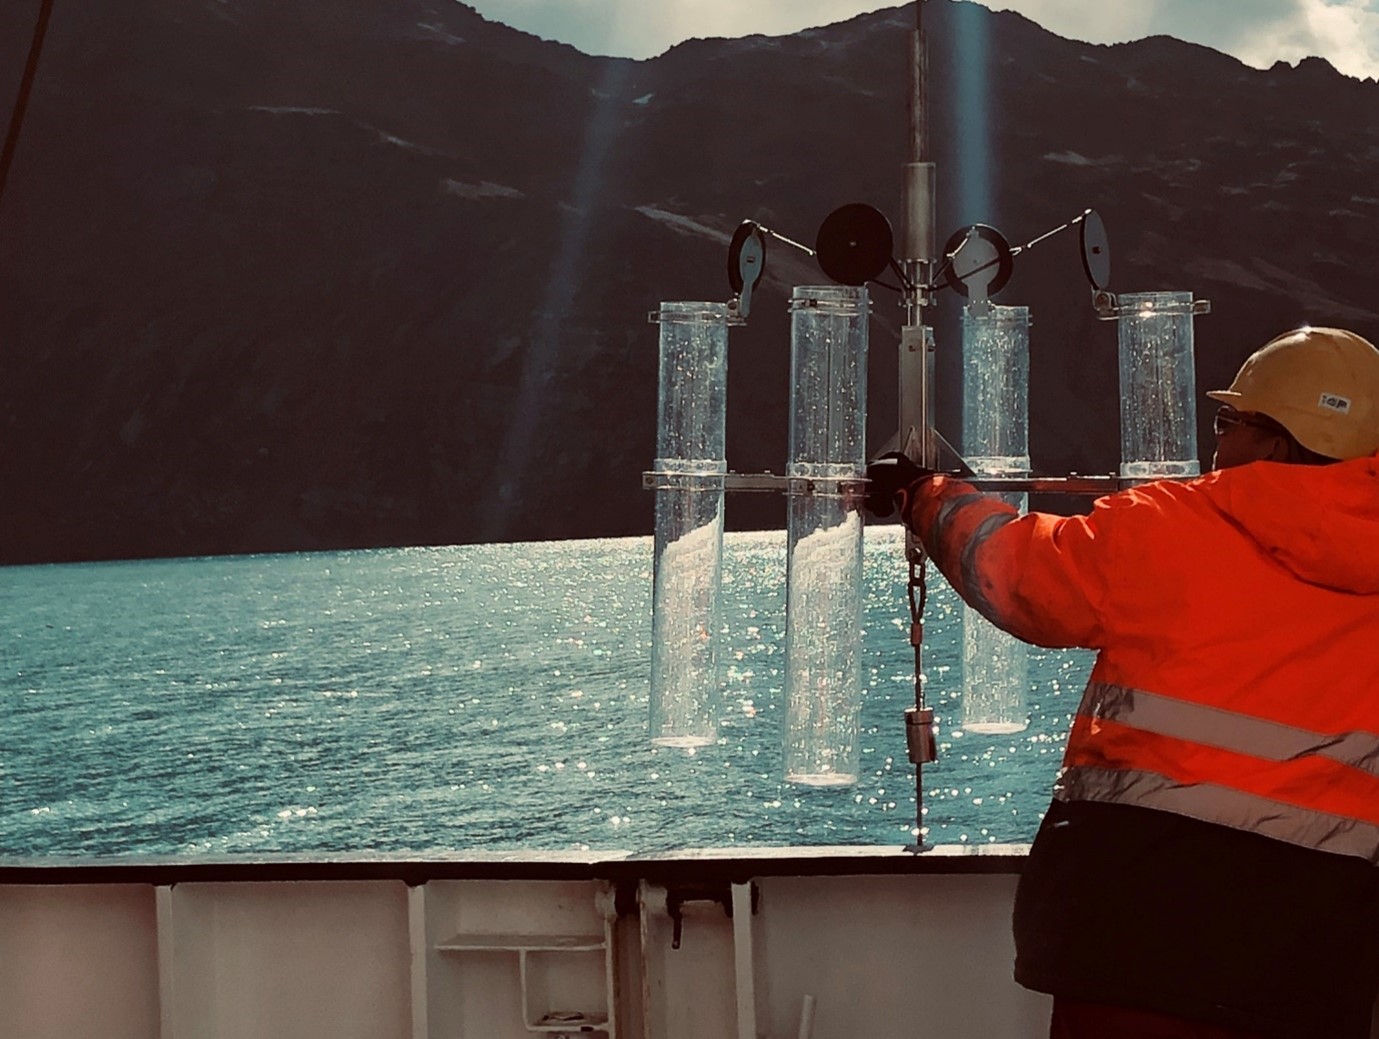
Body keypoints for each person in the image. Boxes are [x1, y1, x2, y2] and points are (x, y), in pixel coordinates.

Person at [865, 326, 1379, 1039]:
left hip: (1136, 939)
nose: (1216, 445)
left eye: (1229, 424)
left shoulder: (1170, 525)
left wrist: (926, 497)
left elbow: (1020, 573)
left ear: (1279, 444)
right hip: (1314, 967)